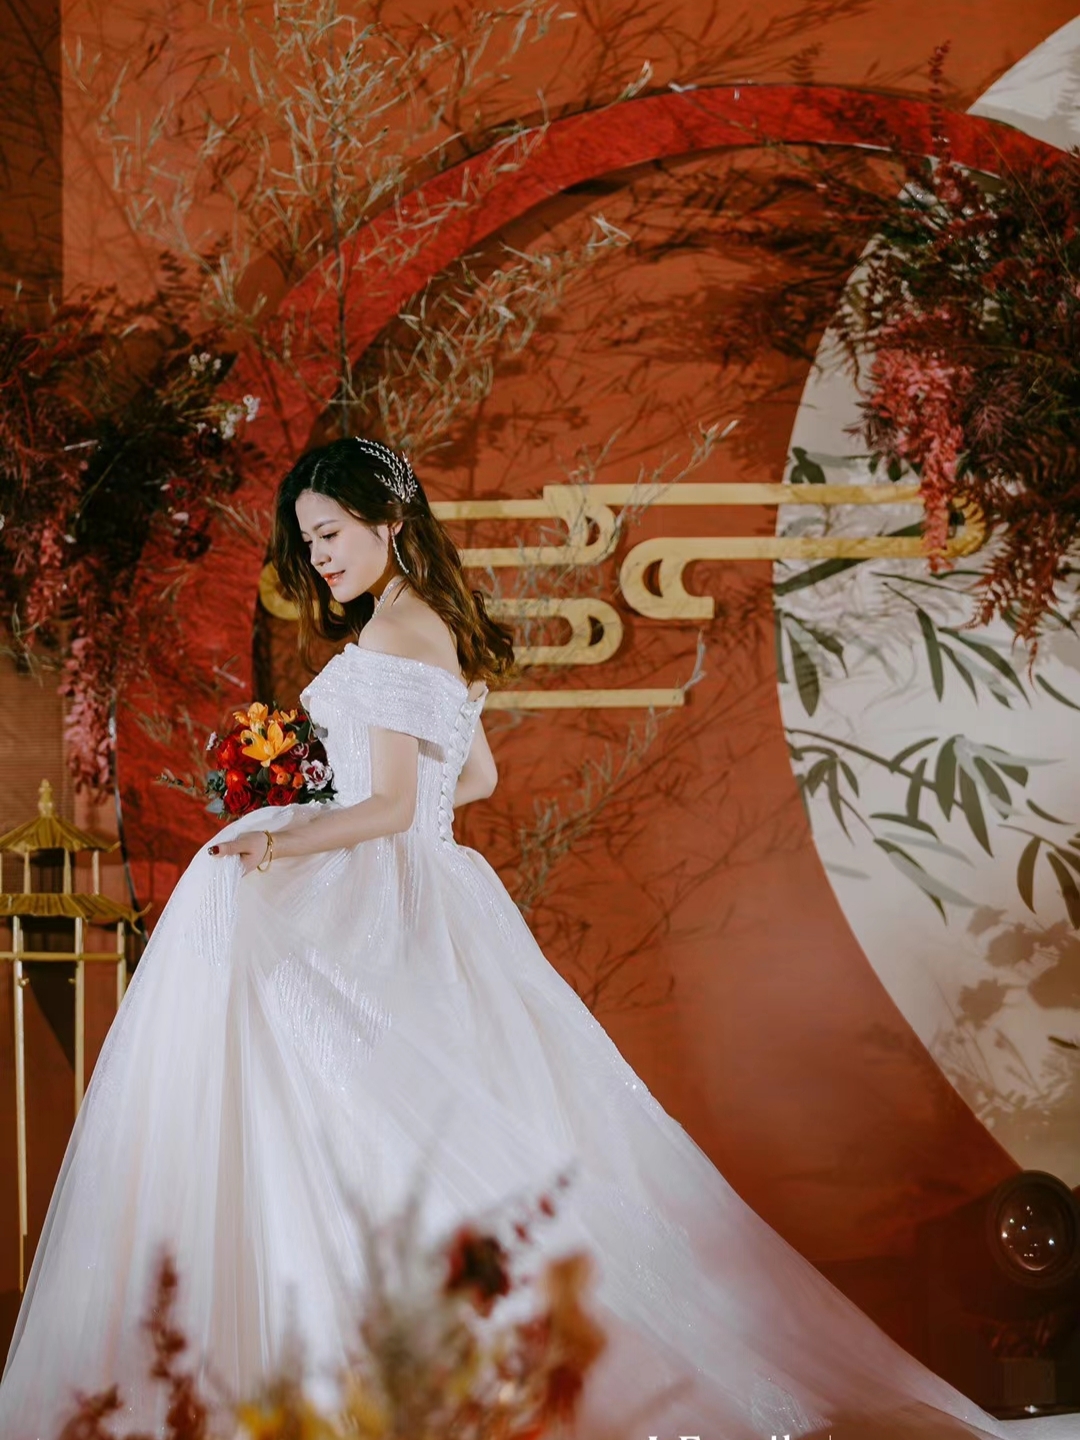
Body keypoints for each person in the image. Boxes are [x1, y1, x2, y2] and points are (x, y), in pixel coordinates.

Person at [0, 437, 1070, 1440]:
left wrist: (280, 839)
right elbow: (473, 778)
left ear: (389, 520)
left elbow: (390, 810)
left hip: (382, 896)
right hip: (430, 892)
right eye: (308, 539)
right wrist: (334, 797)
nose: (317, 557)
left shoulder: (391, 633)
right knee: (419, 1133)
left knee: (351, 1120)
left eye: (329, 533)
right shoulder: (432, 625)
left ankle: (342, 1373)